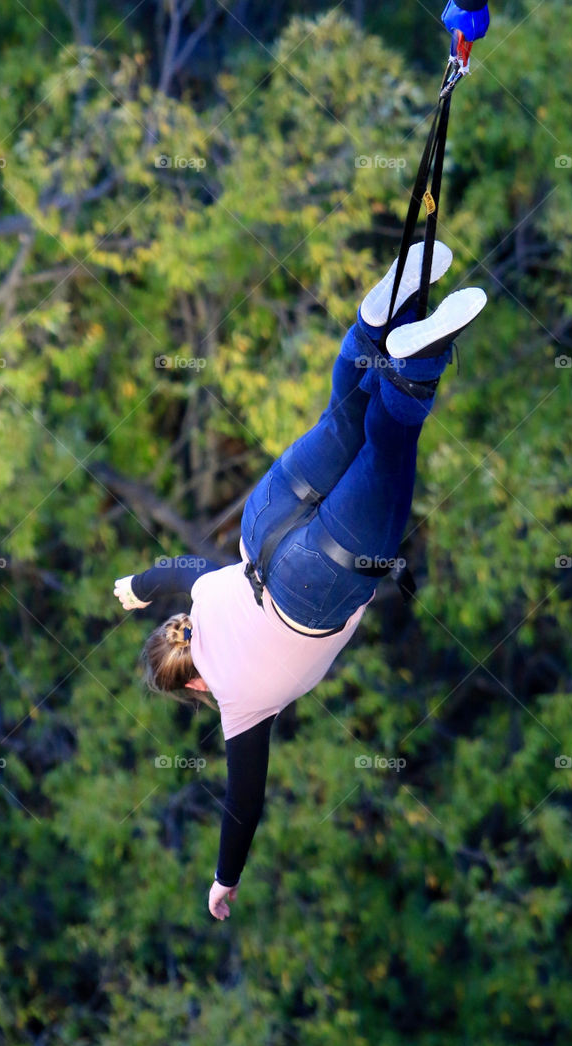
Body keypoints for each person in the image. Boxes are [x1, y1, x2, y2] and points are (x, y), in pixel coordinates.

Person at [114, 242, 487, 919]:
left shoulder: (237, 708)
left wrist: (224, 878)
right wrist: (137, 585)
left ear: (192, 683)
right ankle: (373, 330)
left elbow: (243, 805)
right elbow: (178, 571)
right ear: (178, 634)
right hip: (265, 527)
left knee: (390, 443)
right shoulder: (201, 597)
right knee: (344, 416)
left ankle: (416, 362)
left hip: (318, 585)